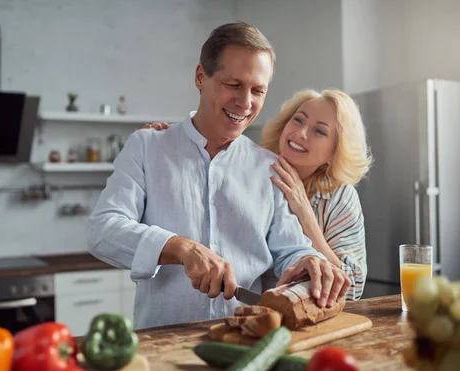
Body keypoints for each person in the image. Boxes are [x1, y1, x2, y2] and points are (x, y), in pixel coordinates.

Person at [87, 21, 350, 330]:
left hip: (247, 341)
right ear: (201, 77)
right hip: (161, 341)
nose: (246, 102)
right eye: (233, 85)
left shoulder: (270, 167)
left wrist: (307, 259)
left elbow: (290, 249)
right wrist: (181, 248)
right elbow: (103, 231)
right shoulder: (147, 147)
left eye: (258, 90)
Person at [144, 88, 372, 300]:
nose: (300, 132)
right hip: (252, 313)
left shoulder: (340, 196)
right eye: (298, 120)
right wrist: (167, 142)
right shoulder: (250, 169)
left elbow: (353, 287)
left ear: (335, 151)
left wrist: (306, 217)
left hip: (312, 318)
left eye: (319, 131)